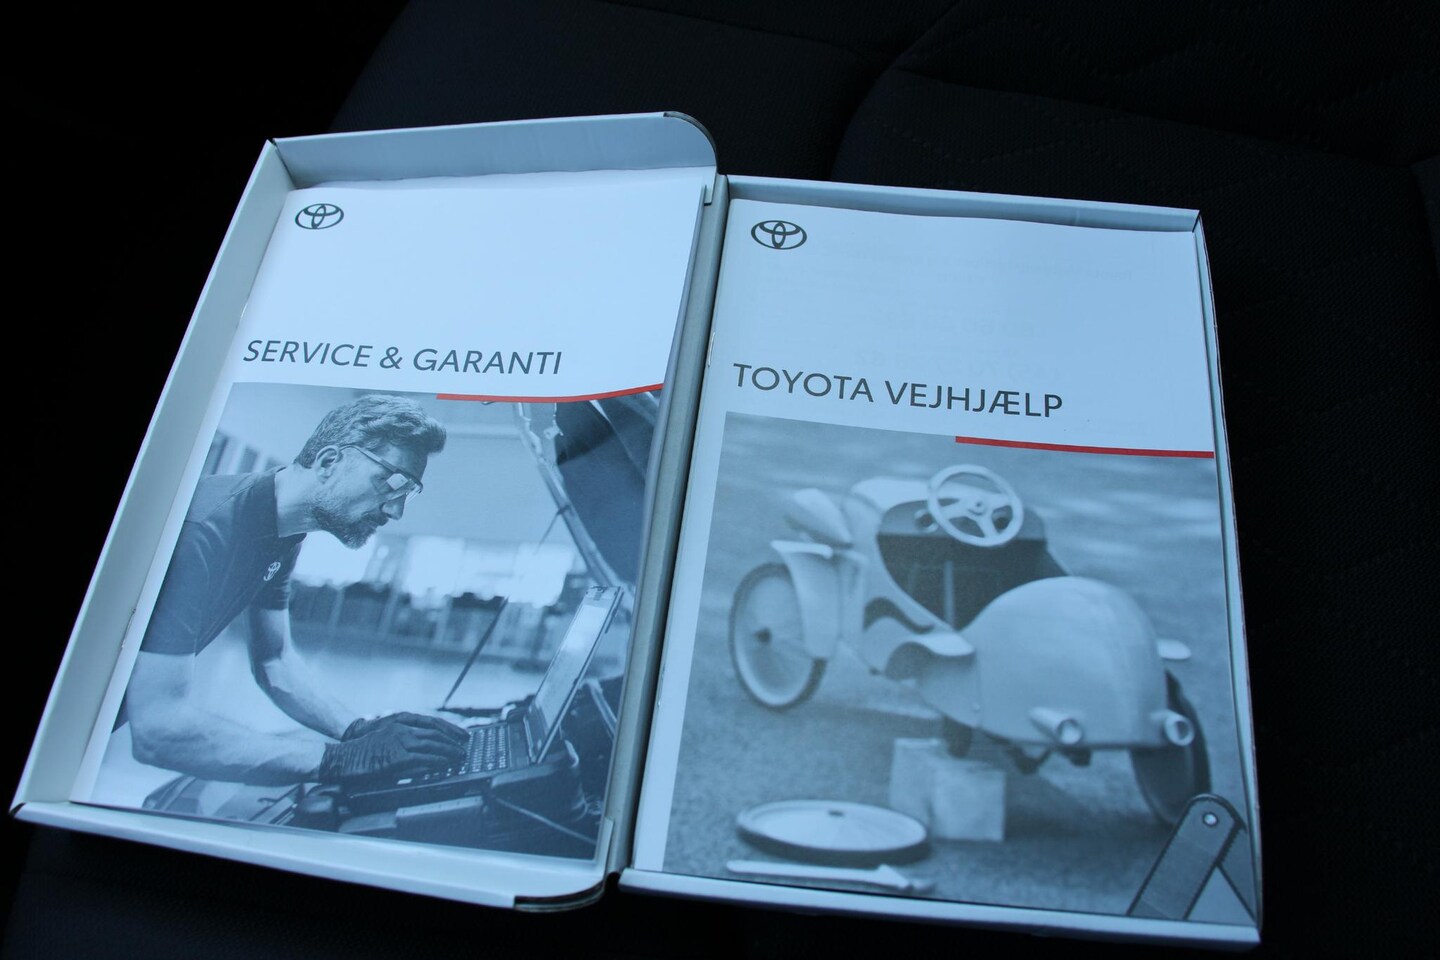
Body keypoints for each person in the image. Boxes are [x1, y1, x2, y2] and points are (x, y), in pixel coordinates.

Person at [125, 393, 469, 788]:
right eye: (392, 482)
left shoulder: (281, 531)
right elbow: (158, 728)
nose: (395, 511)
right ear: (328, 462)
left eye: (408, 492)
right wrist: (338, 760)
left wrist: (358, 730)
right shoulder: (202, 531)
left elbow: (275, 659)